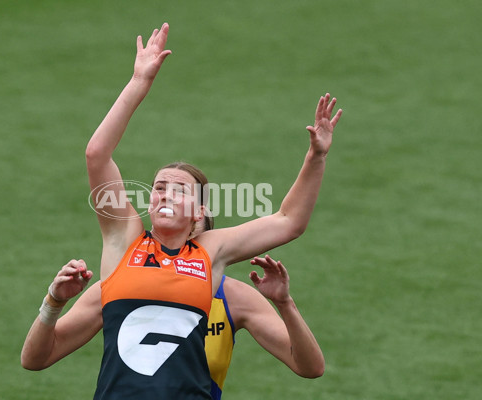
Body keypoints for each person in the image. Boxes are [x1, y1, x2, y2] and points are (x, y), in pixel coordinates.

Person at [85, 22, 339, 399]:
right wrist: (139, 82)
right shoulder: (125, 241)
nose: (165, 194)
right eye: (158, 188)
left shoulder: (209, 254)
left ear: (199, 212)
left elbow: (289, 222)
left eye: (179, 190)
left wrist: (316, 157)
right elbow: (97, 155)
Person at [22, 216, 324, 399]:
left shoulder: (234, 297)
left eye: (197, 238)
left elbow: (309, 367)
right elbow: (35, 358)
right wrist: (54, 301)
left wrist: (284, 303)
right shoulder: (117, 289)